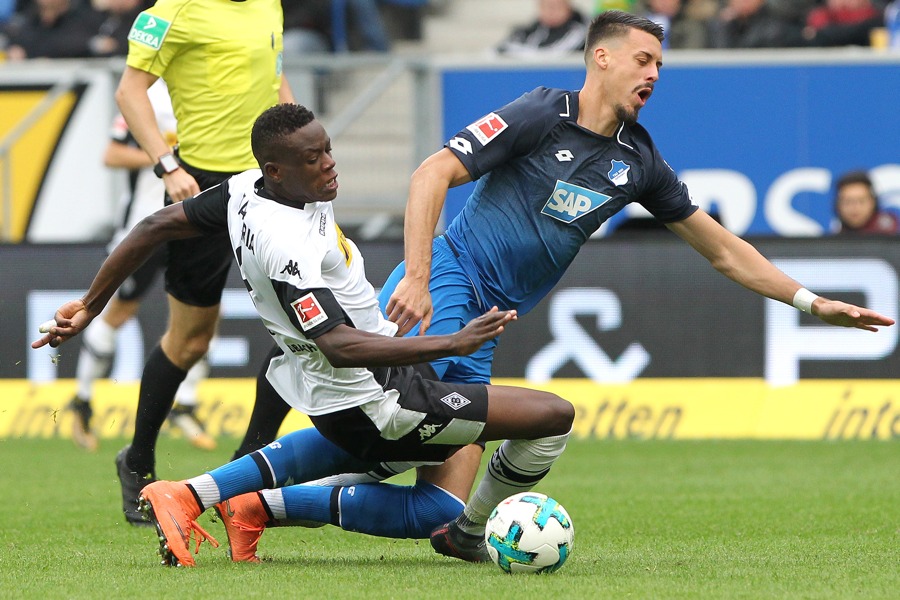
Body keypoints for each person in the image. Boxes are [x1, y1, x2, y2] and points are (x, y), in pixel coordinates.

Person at [375, 9, 893, 556]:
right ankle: (273, 479)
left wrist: (811, 302)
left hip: (488, 326)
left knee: (434, 502)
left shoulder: (639, 160)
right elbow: (432, 173)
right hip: (450, 284)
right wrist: (418, 276)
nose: (653, 75)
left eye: (660, 66)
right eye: (643, 60)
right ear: (602, 57)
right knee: (390, 431)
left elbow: (722, 250)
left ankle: (455, 533)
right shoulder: (541, 112)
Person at [32, 103, 576, 568]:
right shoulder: (283, 245)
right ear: (275, 170)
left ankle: (201, 496)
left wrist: (88, 304)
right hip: (379, 398)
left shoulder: (249, 190)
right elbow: (338, 342)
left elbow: (155, 225)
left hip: (344, 391)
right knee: (548, 419)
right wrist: (450, 344)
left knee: (419, 441)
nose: (328, 165)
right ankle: (467, 532)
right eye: (312, 159)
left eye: (328, 150)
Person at [111, 0, 294, 526]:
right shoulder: (173, 10)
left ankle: (245, 467)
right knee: (190, 340)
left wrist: (305, 144)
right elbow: (130, 90)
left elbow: (275, 84)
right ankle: (138, 459)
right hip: (203, 187)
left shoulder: (269, 5)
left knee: (302, 329)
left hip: (272, 183)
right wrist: (167, 166)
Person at [69, 79, 215, 453]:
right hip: (145, 227)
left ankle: (186, 405)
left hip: (189, 223)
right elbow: (112, 154)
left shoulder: (208, 89)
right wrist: (166, 161)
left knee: (202, 318)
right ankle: (82, 401)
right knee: (116, 314)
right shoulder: (146, 96)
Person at [3, 0, 104, 60]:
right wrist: (13, 49)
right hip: (29, 89)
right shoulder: (27, 20)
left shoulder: (85, 18)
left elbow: (81, 44)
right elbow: (13, 42)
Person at [494, 0, 587, 57]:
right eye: (546, 6)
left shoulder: (579, 31)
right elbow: (500, 48)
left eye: (555, 7)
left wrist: (517, 52)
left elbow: (552, 55)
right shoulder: (534, 29)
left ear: (567, 6)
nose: (550, 12)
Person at [833, 170, 899, 235]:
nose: (855, 207)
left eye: (861, 201)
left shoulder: (888, 231)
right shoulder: (835, 239)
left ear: (873, 203)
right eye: (848, 202)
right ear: (838, 206)